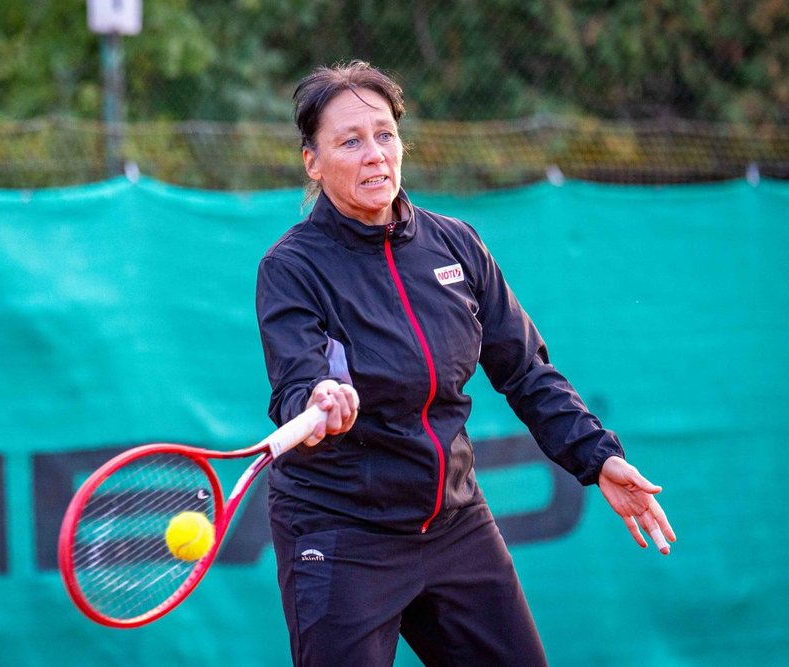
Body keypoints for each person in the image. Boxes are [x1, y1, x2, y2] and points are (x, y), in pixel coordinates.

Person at [254, 60, 676, 667]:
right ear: (312, 162)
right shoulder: (291, 268)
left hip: (455, 525)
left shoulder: (455, 244)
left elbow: (526, 372)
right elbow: (297, 383)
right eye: (349, 142)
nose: (375, 155)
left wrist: (598, 457)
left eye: (384, 134)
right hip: (342, 533)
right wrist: (319, 403)